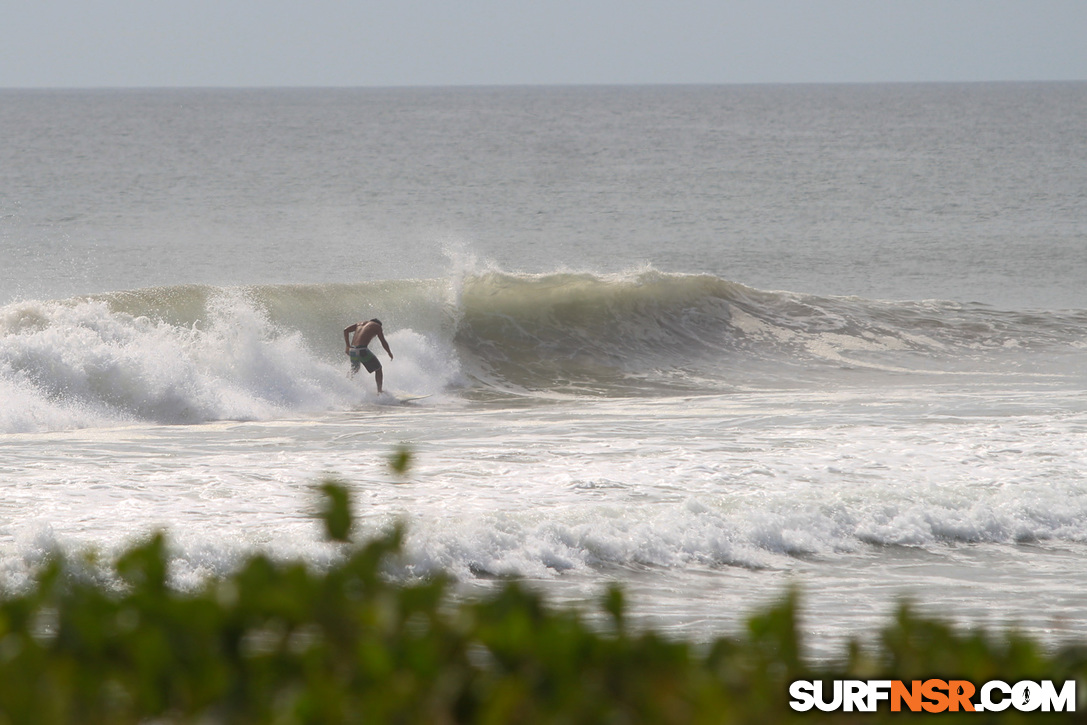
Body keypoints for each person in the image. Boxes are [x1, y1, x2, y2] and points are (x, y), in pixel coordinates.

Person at [343, 318, 393, 393]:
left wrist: (347, 345)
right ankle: (380, 391)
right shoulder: (377, 326)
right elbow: (383, 341)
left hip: (353, 350)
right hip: (362, 350)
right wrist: (389, 352)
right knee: (378, 369)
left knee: (354, 371)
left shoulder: (359, 323)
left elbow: (346, 330)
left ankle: (345, 387)